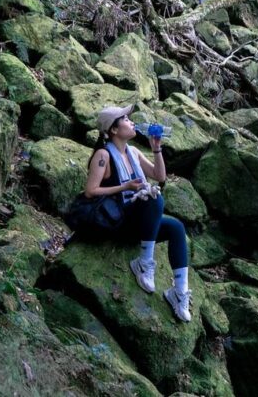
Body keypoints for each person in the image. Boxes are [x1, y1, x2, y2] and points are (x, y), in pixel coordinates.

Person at [80, 104, 192, 322]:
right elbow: (90, 191)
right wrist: (125, 187)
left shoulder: (134, 152)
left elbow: (159, 176)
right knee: (153, 197)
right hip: (118, 221)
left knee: (176, 227)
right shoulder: (103, 155)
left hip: (139, 224)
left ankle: (179, 293)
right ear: (113, 130)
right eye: (125, 119)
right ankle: (144, 262)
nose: (132, 122)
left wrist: (156, 147)